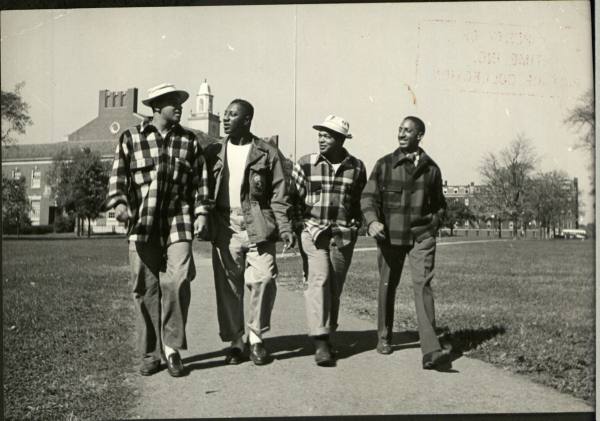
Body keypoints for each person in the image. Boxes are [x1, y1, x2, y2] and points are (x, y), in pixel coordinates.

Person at [106, 83, 209, 377]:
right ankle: (151, 354)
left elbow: (201, 183)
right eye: (172, 101)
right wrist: (121, 205)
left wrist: (201, 213)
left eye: (180, 101)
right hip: (143, 223)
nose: (179, 106)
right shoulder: (130, 138)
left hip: (179, 220)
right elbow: (117, 179)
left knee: (178, 281)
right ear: (155, 107)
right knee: (145, 288)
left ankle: (173, 349)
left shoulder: (189, 141)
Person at [201, 99, 294, 366]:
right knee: (229, 287)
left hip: (258, 223)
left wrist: (285, 228)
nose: (227, 118)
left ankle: (256, 337)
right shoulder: (214, 151)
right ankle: (235, 342)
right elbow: (202, 187)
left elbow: (279, 195)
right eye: (226, 114)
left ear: (247, 119)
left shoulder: (267, 152)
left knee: (265, 278)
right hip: (225, 224)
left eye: (233, 115)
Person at [361, 116, 451, 370]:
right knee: (387, 286)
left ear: (419, 136)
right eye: (399, 129)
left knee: (423, 287)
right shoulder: (384, 165)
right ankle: (384, 336)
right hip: (390, 237)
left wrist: (433, 225)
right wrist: (372, 221)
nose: (401, 133)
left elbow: (439, 205)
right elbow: (368, 198)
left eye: (407, 131)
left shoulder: (431, 169)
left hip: (421, 238)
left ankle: (431, 350)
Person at [291, 115, 366, 366]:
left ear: (341, 139)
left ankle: (327, 332)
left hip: (342, 235)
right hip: (313, 232)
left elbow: (358, 202)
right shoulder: (305, 163)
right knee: (319, 280)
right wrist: (299, 225)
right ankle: (321, 343)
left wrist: (356, 224)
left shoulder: (356, 167)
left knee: (334, 288)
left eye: (328, 135)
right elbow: (293, 199)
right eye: (320, 134)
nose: (322, 139)